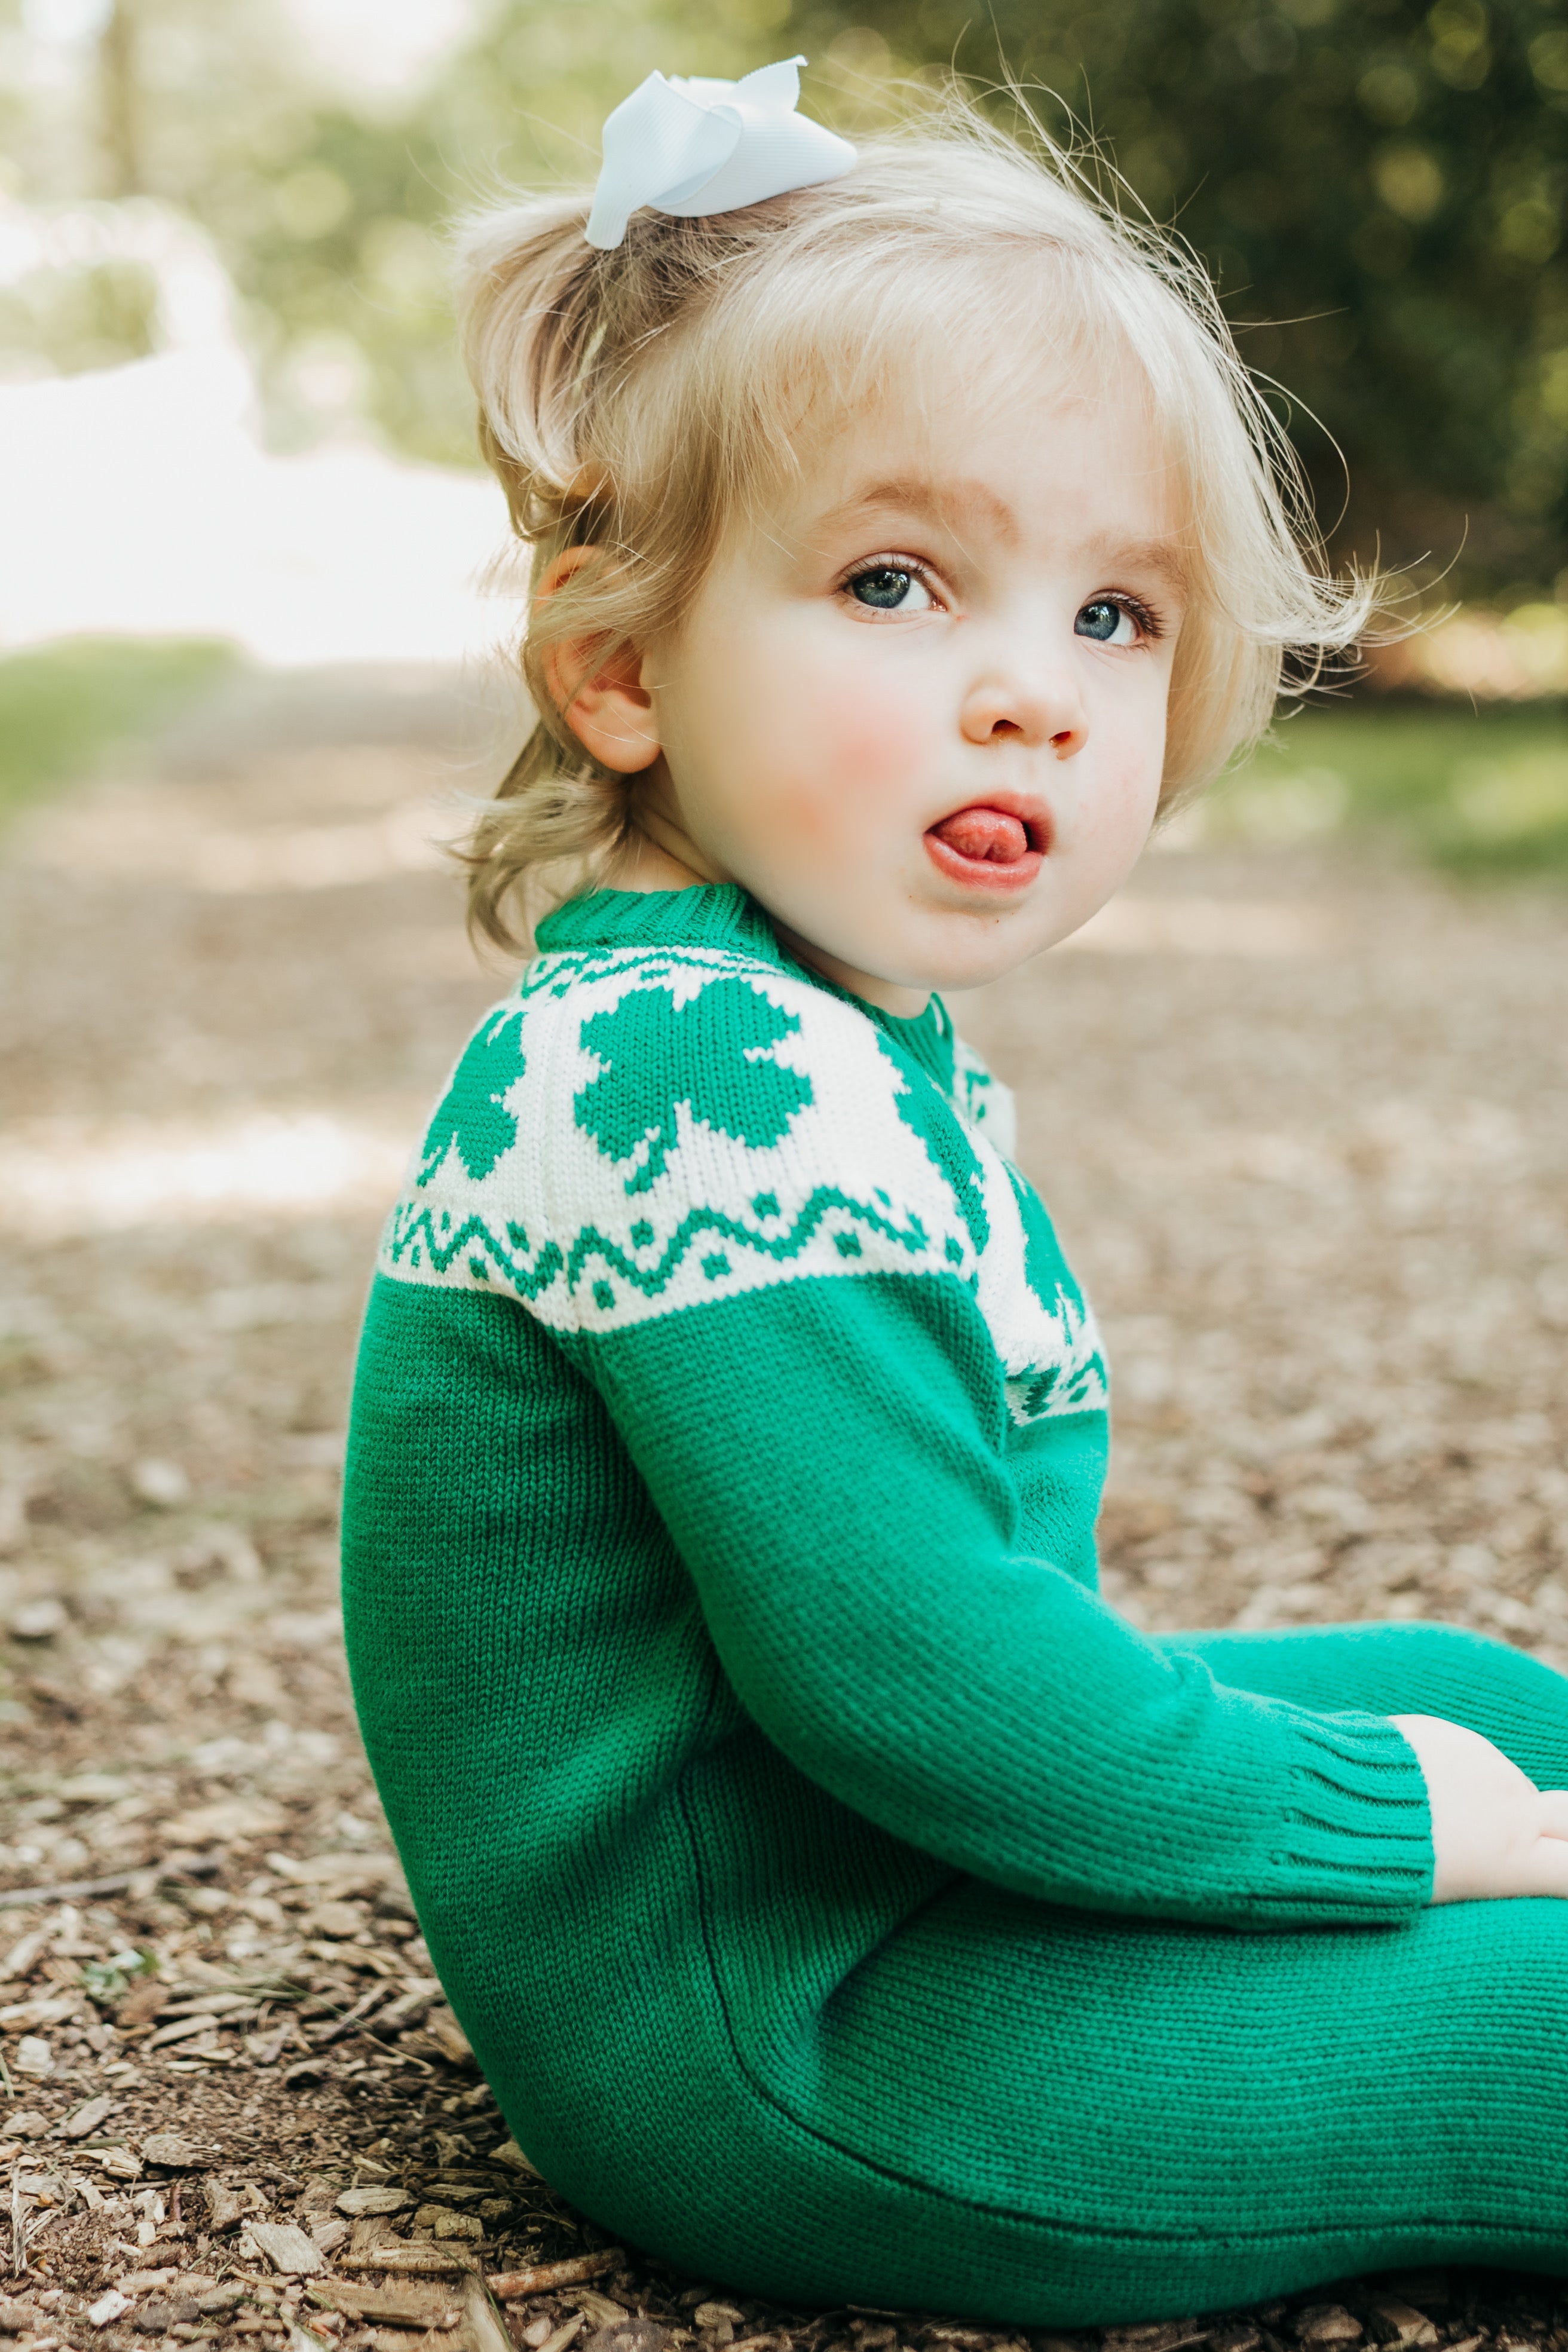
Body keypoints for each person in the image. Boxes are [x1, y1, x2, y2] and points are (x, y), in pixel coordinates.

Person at [340, 62, 1568, 2328]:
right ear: (621, 668)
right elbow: (925, 1695)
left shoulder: (790, 1026)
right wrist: (1388, 1836)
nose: (1033, 693)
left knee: (1481, 1695)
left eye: (1115, 612)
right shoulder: (688, 1088)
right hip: (794, 2030)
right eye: (900, 583)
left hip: (866, 1866)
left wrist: (1428, 1779)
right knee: (1539, 2007)